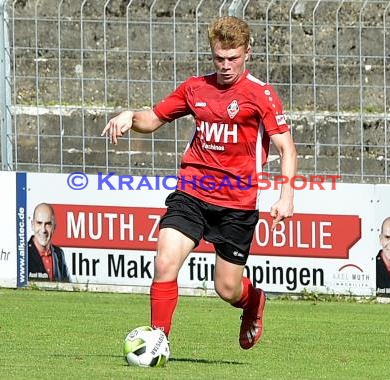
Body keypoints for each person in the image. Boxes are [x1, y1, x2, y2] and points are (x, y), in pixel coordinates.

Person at [101, 16, 296, 350]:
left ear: (247, 52)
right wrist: (130, 116)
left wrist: (286, 195)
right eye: (219, 58)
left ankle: (253, 302)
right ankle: (157, 341)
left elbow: (286, 148)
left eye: (232, 58)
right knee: (164, 262)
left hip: (237, 204)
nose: (225, 65)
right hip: (191, 192)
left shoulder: (260, 95)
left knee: (226, 289)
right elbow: (153, 119)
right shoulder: (196, 88)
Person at [28, 202, 70, 282]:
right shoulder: (23, 254)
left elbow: (67, 285)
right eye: (39, 223)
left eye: (48, 224)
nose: (43, 230)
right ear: (32, 225)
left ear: (54, 227)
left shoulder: (59, 254)